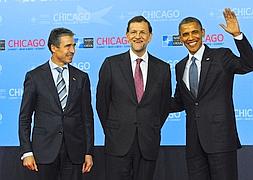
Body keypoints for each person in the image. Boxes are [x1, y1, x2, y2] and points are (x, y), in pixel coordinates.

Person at [171, 8, 253, 180]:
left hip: (220, 140)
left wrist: (238, 35)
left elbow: (248, 64)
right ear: (181, 38)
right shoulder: (179, 66)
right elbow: (179, 102)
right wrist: (150, 99)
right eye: (185, 34)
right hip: (194, 144)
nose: (191, 37)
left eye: (195, 32)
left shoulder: (221, 56)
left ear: (203, 33)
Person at [96, 15, 172, 180]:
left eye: (143, 32)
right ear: (127, 36)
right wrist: (112, 130)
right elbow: (102, 103)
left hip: (148, 142)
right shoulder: (110, 64)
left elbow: (164, 106)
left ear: (150, 36)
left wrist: (151, 125)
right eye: (134, 32)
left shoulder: (163, 68)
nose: (138, 36)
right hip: (117, 142)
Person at [18, 27, 94, 180]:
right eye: (68, 46)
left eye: (73, 46)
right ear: (53, 48)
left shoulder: (81, 77)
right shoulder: (35, 77)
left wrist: (88, 152)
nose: (72, 50)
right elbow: (25, 118)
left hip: (75, 153)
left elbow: (87, 118)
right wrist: (27, 151)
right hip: (44, 152)